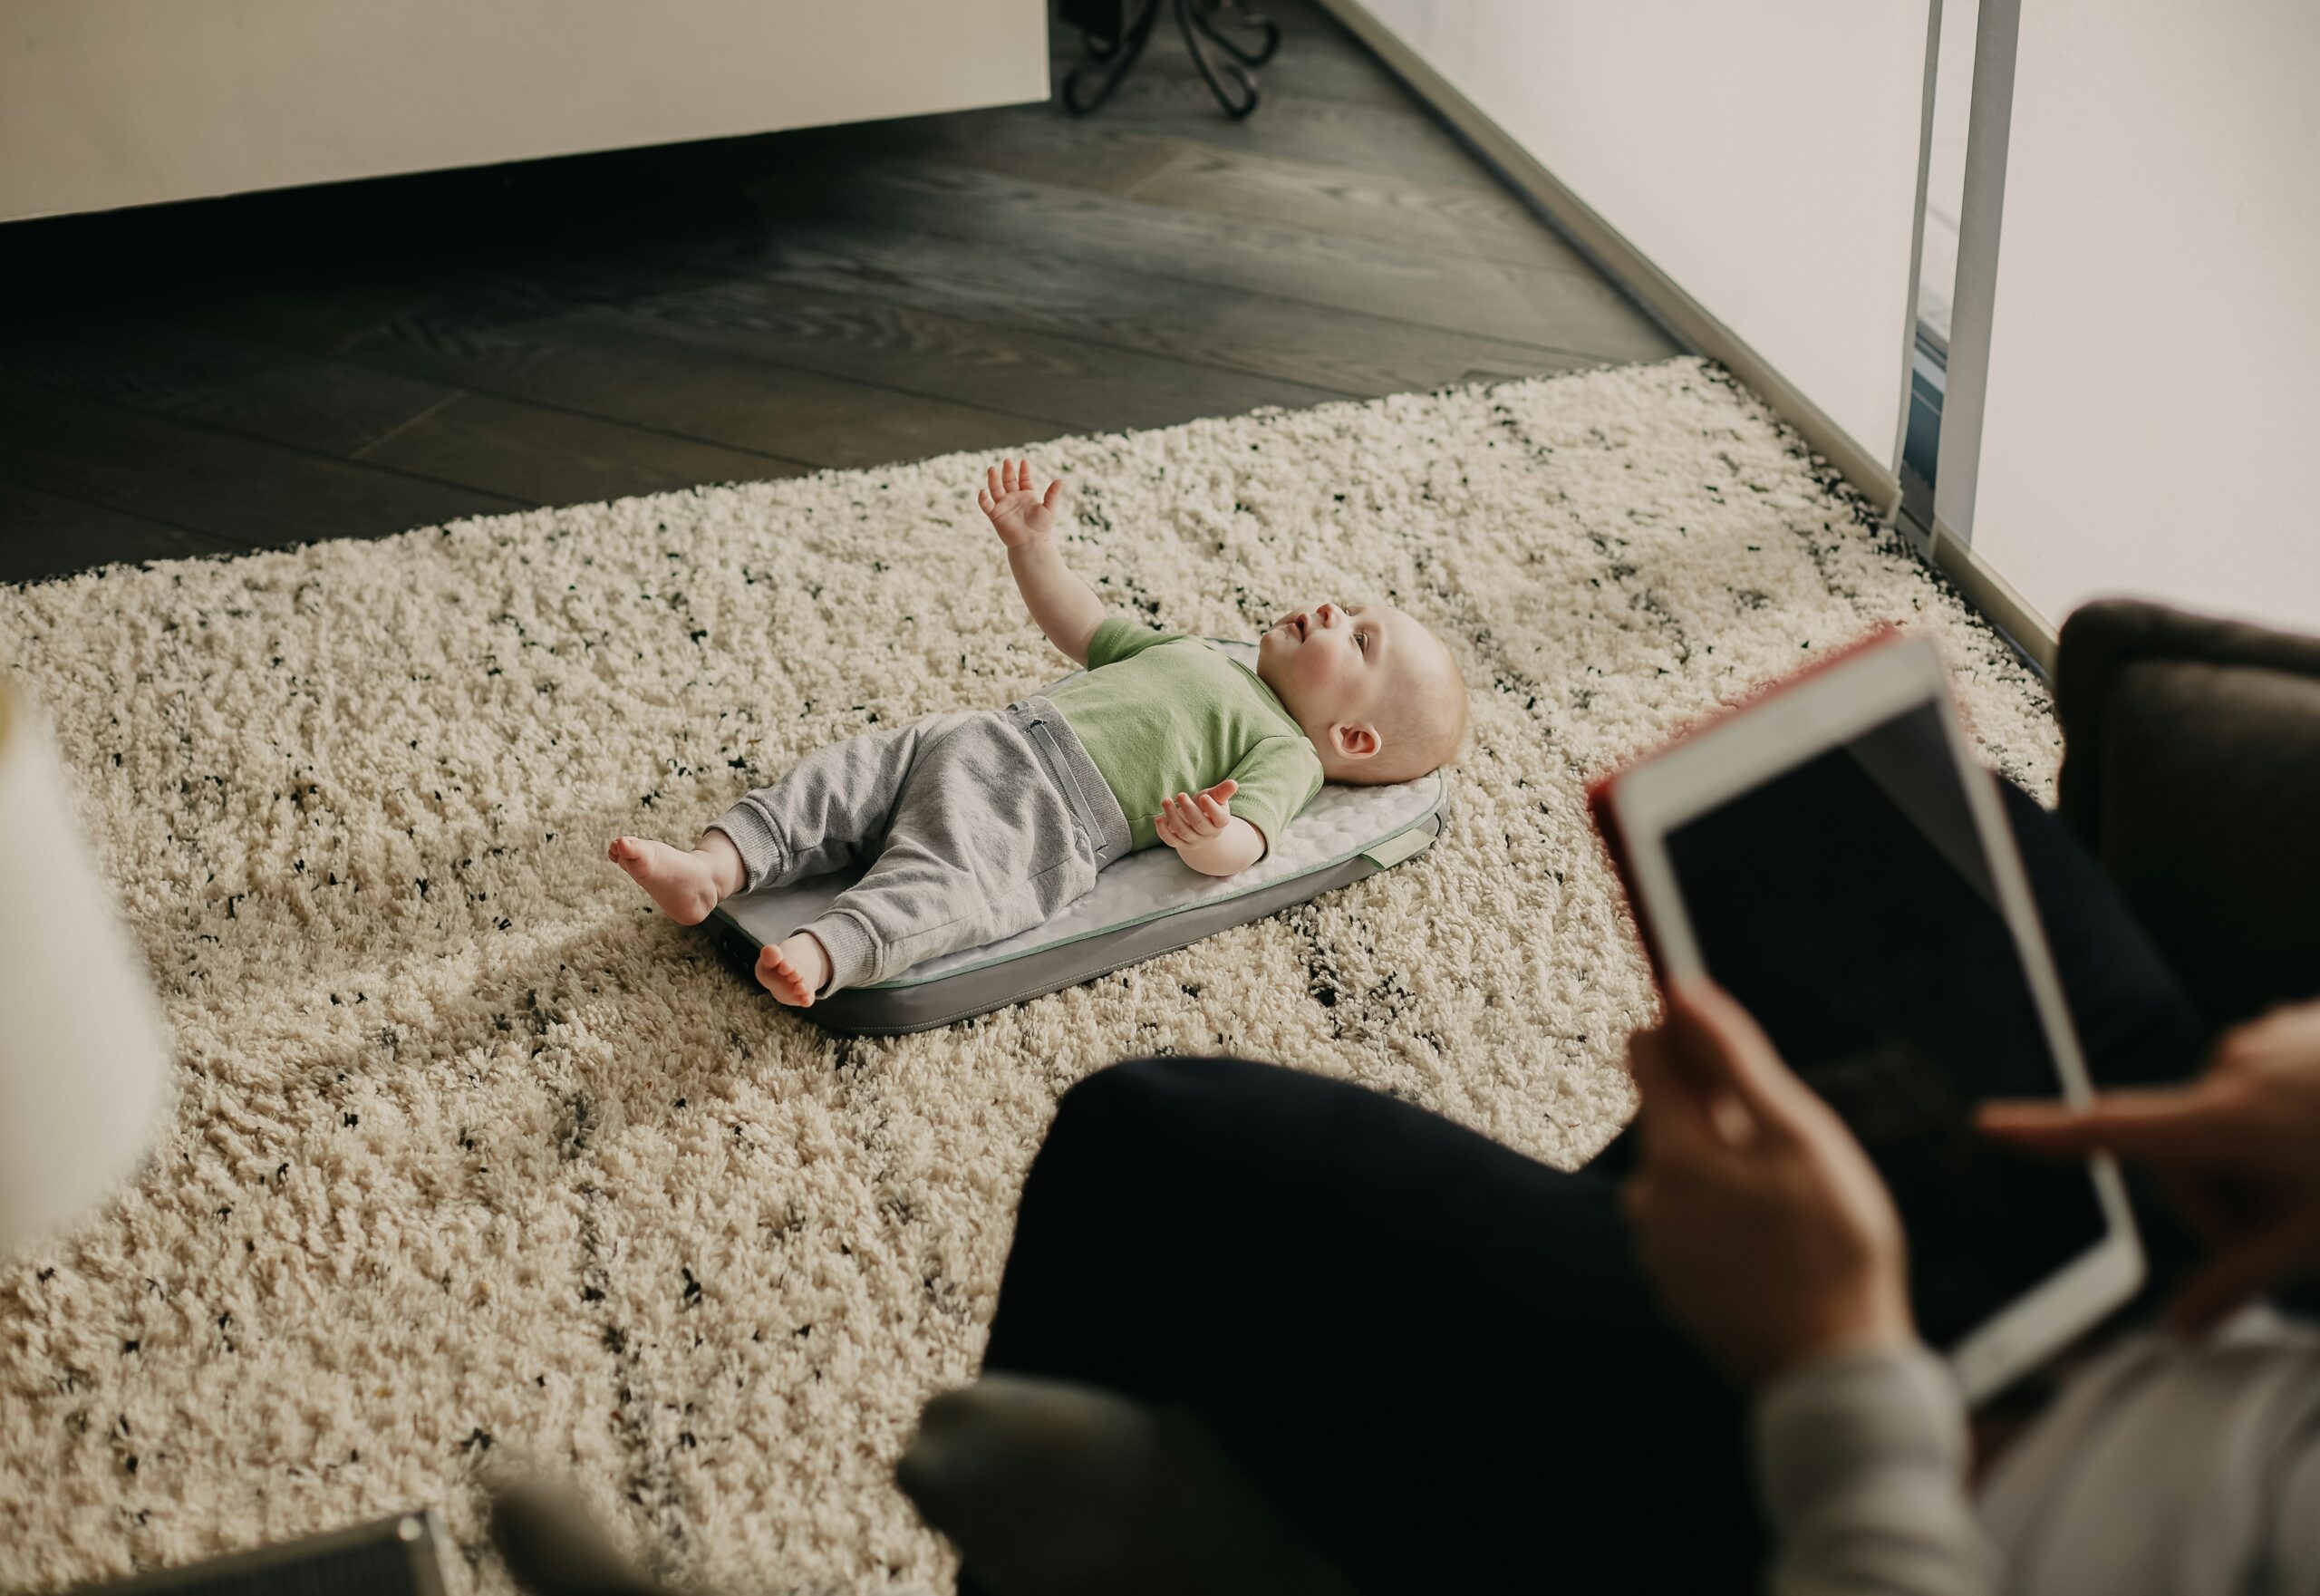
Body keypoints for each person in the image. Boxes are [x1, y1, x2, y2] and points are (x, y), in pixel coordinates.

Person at [897, 785, 2320, 1595]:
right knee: (1879, 818)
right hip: (2249, 1306)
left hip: (1928, 1515)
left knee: (1141, 1139)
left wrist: (1839, 1370)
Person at [603, 459, 1468, 1004]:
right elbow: (1085, 627)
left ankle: (827, 950)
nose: (1331, 607)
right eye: (1351, 606)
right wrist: (1033, 551)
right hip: (983, 735)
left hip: (1049, 818)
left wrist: (1214, 838)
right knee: (838, 779)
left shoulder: (1286, 753)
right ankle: (714, 865)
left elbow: (1248, 842)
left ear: (1353, 739)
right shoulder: (1207, 653)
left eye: (1357, 637)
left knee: (946, 887)